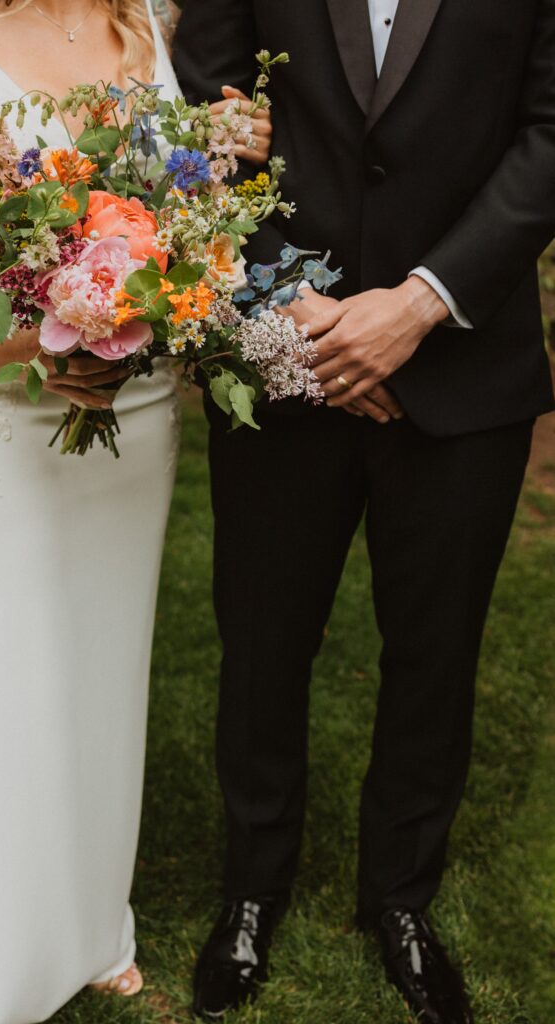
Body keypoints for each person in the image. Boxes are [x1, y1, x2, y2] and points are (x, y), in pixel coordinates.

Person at [0, 2, 270, 1021]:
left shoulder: (139, 16)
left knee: (104, 647)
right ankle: (3, 936)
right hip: (5, 405)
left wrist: (219, 164)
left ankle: (89, 912)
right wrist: (21, 345)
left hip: (130, 409)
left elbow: (172, 206)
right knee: (12, 647)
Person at [173, 1, 555, 1020]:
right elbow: (198, 97)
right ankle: (251, 890)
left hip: (467, 366)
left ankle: (401, 899)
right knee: (261, 639)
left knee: (434, 653)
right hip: (283, 356)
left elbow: (551, 131)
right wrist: (278, 299)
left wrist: (421, 301)